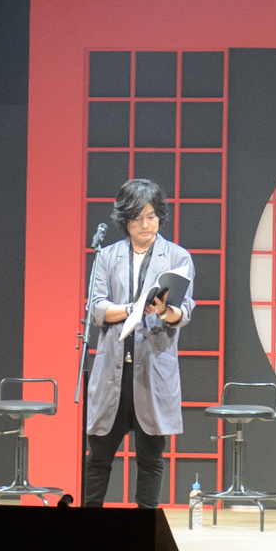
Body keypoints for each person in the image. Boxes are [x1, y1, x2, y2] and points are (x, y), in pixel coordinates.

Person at [82, 177, 198, 509]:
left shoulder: (177, 256)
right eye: (137, 218)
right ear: (125, 221)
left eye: (151, 216)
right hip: (111, 371)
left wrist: (166, 310)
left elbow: (185, 311)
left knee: (150, 458)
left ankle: (144, 528)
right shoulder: (107, 255)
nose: (145, 225)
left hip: (153, 369)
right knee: (99, 456)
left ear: (160, 216)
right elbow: (96, 308)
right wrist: (131, 309)